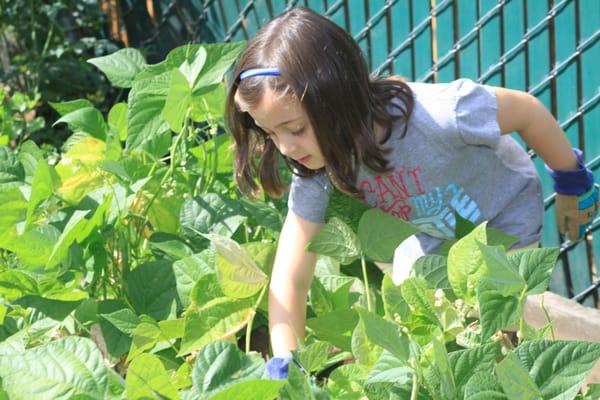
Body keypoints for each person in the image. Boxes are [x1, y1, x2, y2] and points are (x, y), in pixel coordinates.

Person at [224, 7, 599, 379]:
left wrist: (570, 181)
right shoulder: (319, 164)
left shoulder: (440, 115)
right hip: (439, 232)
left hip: (503, 211)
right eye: (271, 133)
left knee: (510, 312)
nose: (285, 147)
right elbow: (289, 277)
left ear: (335, 100)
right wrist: (286, 363)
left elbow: (528, 112)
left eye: (294, 128)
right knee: (414, 303)